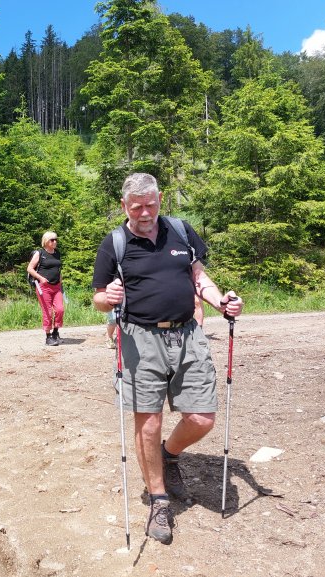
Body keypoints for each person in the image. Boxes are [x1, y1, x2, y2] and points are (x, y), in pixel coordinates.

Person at [92, 173, 243, 545]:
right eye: (136, 206)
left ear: (160, 199)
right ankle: (158, 499)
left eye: (151, 204)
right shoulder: (114, 243)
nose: (145, 213)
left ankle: (169, 454)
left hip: (188, 332)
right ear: (125, 205)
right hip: (140, 339)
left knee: (201, 417)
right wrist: (107, 297)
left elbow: (199, 278)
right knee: (149, 422)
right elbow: (97, 298)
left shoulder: (180, 230)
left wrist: (220, 300)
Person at [26, 231, 65, 346]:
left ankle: (55, 333)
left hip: (57, 286)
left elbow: (58, 269)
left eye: (56, 239)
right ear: (46, 241)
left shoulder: (57, 253)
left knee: (60, 310)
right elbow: (30, 269)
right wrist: (40, 278)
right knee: (47, 311)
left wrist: (61, 282)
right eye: (52, 240)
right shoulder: (40, 253)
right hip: (44, 287)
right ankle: (48, 337)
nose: (55, 242)